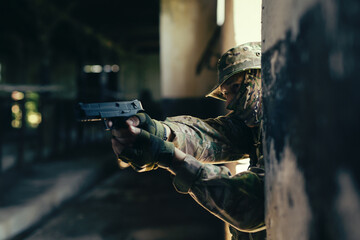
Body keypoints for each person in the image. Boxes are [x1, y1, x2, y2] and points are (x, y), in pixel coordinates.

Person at [110, 42, 266, 240]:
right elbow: (210, 135)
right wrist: (160, 131)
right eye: (226, 94)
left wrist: (171, 159)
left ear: (263, 78)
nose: (229, 103)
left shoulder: (290, 129)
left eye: (235, 88)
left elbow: (251, 205)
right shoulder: (254, 126)